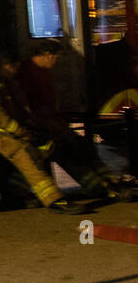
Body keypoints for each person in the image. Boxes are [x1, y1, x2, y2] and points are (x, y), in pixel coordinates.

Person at [0, 50, 85, 214]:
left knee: (48, 147)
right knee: (25, 153)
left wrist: (33, 127)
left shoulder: (2, 81)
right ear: (0, 66)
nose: (14, 70)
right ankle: (55, 200)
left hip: (1, 132)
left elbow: (18, 110)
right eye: (11, 66)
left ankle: (16, 192)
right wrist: (20, 132)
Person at [17, 38, 135, 203]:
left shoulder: (39, 71)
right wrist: (53, 125)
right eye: (56, 57)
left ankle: (107, 183)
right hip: (42, 128)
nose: (57, 62)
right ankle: (102, 187)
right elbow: (32, 106)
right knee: (72, 151)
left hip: (49, 124)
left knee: (81, 147)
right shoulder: (28, 73)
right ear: (46, 55)